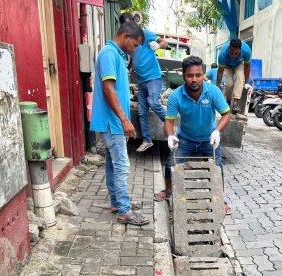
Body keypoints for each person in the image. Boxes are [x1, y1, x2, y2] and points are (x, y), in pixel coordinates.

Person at [154, 56, 232, 215]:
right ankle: (169, 191)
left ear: (204, 75)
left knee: (218, 168)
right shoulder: (176, 96)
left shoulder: (213, 92)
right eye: (190, 76)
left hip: (209, 139)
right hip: (185, 139)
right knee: (170, 163)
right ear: (183, 76)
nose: (194, 79)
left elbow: (226, 114)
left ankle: (219, 198)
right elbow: (169, 121)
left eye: (198, 75)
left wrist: (217, 131)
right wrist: (170, 136)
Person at [90, 21, 149, 226]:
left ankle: (117, 202)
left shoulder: (116, 55)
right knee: (122, 165)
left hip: (112, 122)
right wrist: (124, 120)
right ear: (125, 36)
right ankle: (125, 211)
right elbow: (108, 89)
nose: (135, 49)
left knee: (112, 163)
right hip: (112, 122)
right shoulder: (109, 54)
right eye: (135, 44)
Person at [120, 14, 169, 153]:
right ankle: (147, 140)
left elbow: (165, 43)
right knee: (141, 112)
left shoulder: (145, 34)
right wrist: (129, 67)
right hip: (141, 81)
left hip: (154, 77)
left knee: (153, 102)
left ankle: (169, 123)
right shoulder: (128, 39)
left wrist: (158, 45)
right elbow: (134, 56)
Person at [216, 39, 252, 112]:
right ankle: (229, 101)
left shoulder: (246, 51)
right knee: (229, 84)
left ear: (240, 50)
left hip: (239, 64)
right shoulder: (222, 54)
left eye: (236, 53)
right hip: (227, 66)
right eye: (232, 53)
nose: (234, 55)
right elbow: (220, 72)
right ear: (229, 48)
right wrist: (217, 86)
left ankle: (235, 104)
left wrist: (246, 83)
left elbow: (247, 67)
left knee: (240, 77)